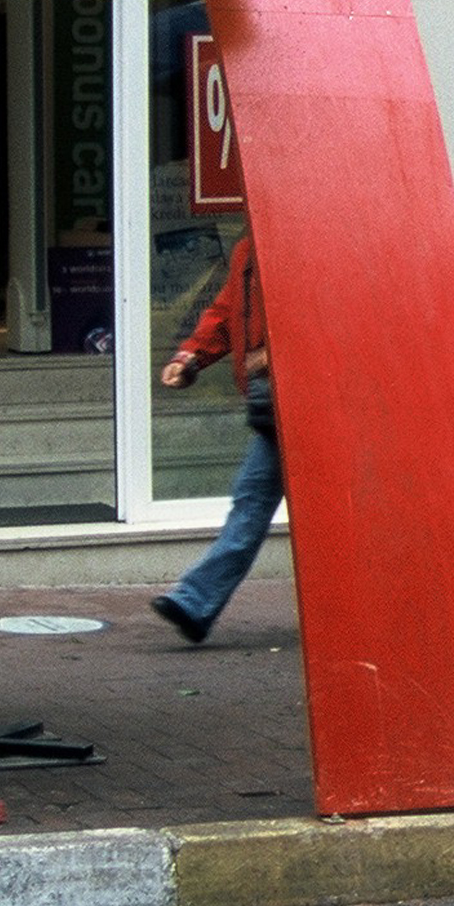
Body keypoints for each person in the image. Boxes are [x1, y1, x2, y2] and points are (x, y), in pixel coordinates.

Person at [151, 230, 274, 644]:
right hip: (279, 407)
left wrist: (277, 350)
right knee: (251, 502)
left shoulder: (287, 244)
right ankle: (194, 602)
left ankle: (195, 601)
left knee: (252, 503)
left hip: (309, 404)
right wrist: (189, 359)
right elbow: (225, 315)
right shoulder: (248, 249)